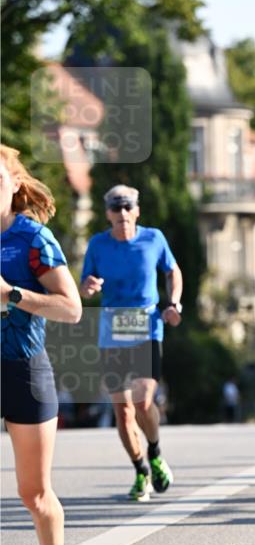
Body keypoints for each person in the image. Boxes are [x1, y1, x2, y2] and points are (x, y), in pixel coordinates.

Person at [1, 144, 82, 545]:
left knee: (33, 493)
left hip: (22, 367)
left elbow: (70, 308)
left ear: (11, 185)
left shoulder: (33, 239)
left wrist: (11, 294)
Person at [80, 185, 183, 501]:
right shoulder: (97, 245)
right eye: (115, 208)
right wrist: (89, 287)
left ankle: (154, 451)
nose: (122, 213)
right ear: (107, 213)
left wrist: (174, 303)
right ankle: (141, 471)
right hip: (112, 329)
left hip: (146, 325)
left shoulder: (154, 238)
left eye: (127, 207)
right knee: (121, 410)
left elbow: (173, 271)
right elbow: (84, 287)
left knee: (142, 400)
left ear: (137, 210)